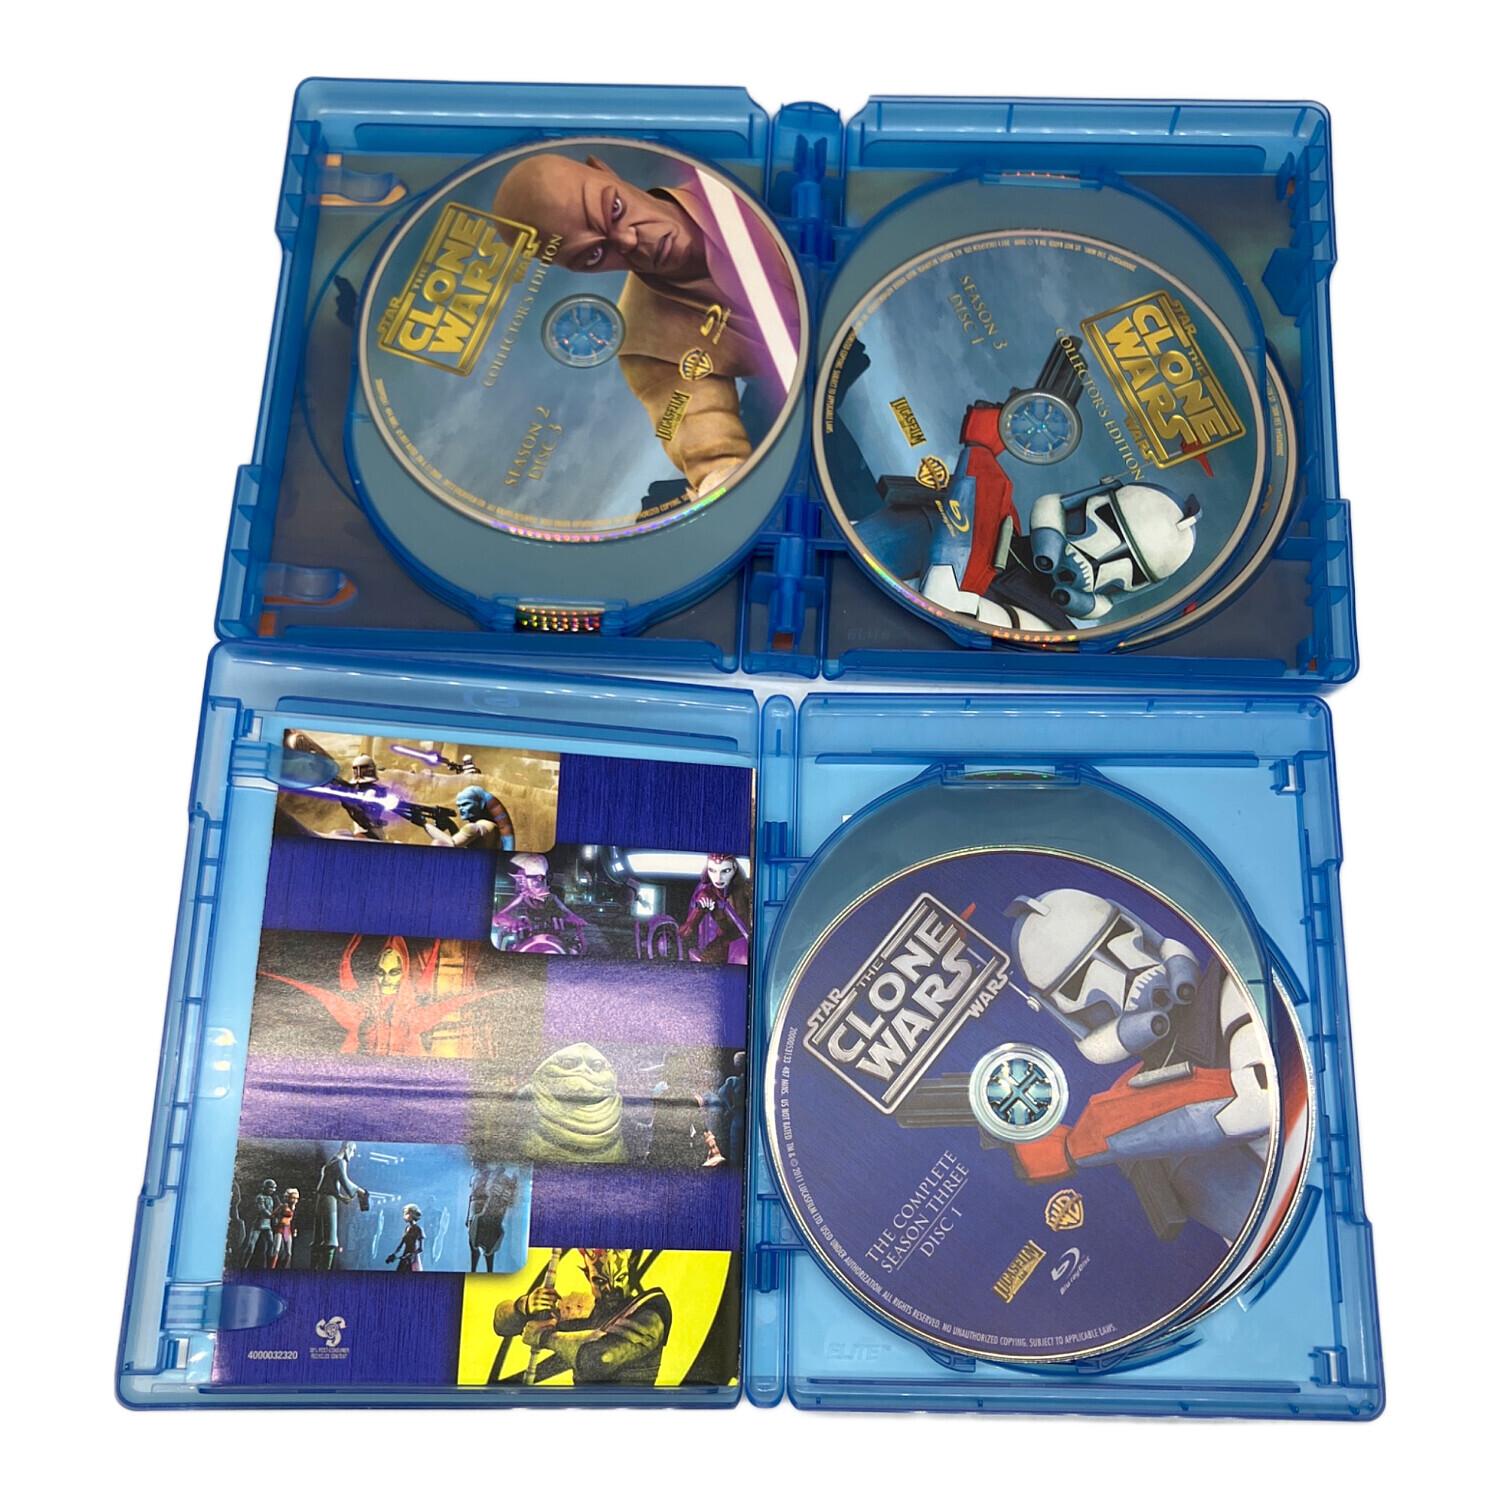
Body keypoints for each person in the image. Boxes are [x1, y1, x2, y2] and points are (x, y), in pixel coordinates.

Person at [492, 152, 798, 497]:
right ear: (577, 270)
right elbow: (699, 429)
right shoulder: (644, 339)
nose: (628, 241)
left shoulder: (739, 184)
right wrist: (719, 477)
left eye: (615, 209)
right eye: (594, 255)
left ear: (604, 168)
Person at [312, 1143, 366, 1271]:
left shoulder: (332, 1161)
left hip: (322, 1200)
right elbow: (346, 1182)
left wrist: (340, 1197)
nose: (353, 1154)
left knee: (318, 1239)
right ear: (347, 1148)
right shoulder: (340, 1162)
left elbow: (326, 1186)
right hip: (329, 1202)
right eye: (353, 1151)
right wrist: (360, 1191)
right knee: (330, 1240)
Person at [424, 785, 515, 851]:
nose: (461, 809)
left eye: (466, 804)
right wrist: (450, 825)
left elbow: (450, 844)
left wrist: (423, 823)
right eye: (459, 806)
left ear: (481, 804)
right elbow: (465, 846)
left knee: (437, 843)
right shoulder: (488, 824)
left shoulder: (473, 828)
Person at [386, 1205, 424, 1272]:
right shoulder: (407, 1228)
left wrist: (412, 1254)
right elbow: (401, 1244)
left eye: (406, 1213)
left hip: (412, 1259)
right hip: (405, 1256)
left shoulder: (418, 1229)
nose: (404, 1216)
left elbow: (421, 1249)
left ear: (412, 1214)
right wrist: (394, 1254)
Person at [270, 1186, 300, 1269]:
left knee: (288, 1252)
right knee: (276, 1250)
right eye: (293, 1198)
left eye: (296, 1198)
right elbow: (273, 1215)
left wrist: (294, 1229)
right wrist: (276, 1220)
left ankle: (285, 1268)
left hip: (287, 1229)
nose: (294, 1200)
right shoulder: (282, 1206)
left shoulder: (293, 1208)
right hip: (280, 1228)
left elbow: (293, 1220)